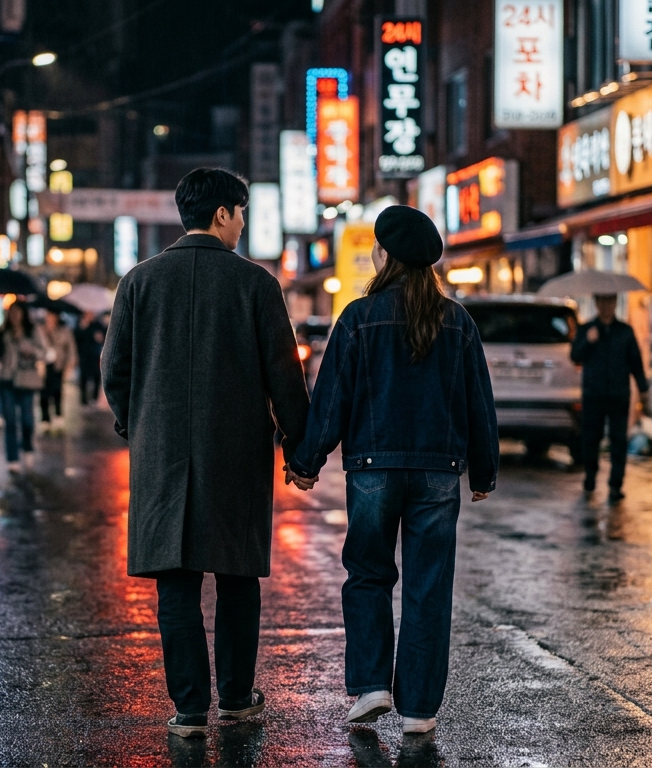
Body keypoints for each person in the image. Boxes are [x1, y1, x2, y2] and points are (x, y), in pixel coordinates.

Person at [102, 167, 310, 739]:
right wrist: (300, 447)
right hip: (236, 452)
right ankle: (237, 699)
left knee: (177, 584)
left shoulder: (139, 282)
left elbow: (114, 369)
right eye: (240, 213)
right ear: (222, 214)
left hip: (162, 452)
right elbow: (284, 376)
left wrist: (136, 423)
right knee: (238, 579)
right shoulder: (255, 285)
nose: (242, 224)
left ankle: (190, 708)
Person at [288, 206, 498, 738]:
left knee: (368, 574)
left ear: (384, 257)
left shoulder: (359, 317)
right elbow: (479, 401)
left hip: (372, 470)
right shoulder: (458, 321)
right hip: (437, 472)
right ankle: (420, 709)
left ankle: (372, 685)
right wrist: (484, 472)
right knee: (429, 585)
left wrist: (306, 460)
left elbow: (333, 398)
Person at [570, 293, 649, 503]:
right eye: (602, 302)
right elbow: (575, 355)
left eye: (610, 301)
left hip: (618, 394)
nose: (606, 306)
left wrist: (643, 387)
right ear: (596, 303)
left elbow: (635, 361)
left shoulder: (625, 332)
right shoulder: (587, 329)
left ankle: (616, 484)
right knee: (591, 438)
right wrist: (588, 342)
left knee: (618, 440)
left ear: (615, 303)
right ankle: (590, 477)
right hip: (593, 394)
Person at [0, 301, 45, 472]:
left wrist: (31, 350)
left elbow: (44, 352)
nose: (15, 315)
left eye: (18, 312)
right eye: (12, 312)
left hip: (26, 380)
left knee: (27, 420)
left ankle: (27, 447)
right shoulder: (3, 332)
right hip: (6, 380)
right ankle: (12, 458)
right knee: (9, 421)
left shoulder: (32, 331)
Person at [39, 310, 78, 432]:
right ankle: (45, 418)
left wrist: (70, 365)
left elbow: (71, 350)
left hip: (59, 365)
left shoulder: (65, 331)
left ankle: (58, 415)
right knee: (43, 392)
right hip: (43, 366)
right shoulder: (40, 330)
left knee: (57, 390)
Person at [75, 311, 107, 406]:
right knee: (83, 378)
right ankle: (84, 399)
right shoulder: (81, 323)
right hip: (84, 355)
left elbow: (105, 337)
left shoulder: (98, 325)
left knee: (96, 377)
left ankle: (94, 398)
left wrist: (101, 338)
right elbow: (76, 338)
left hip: (95, 355)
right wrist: (82, 327)